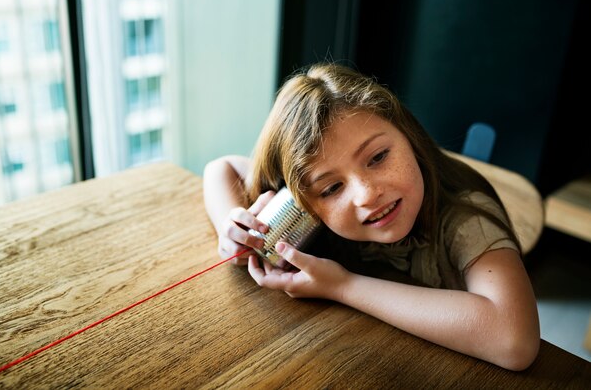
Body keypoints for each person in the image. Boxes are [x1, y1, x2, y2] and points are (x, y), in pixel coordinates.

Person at [202, 62, 540, 371]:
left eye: (377, 157)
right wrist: (234, 226)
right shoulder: (311, 208)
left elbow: (514, 341)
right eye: (332, 188)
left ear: (408, 135)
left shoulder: (466, 220)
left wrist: (342, 286)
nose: (366, 194)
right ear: (300, 201)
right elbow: (222, 168)